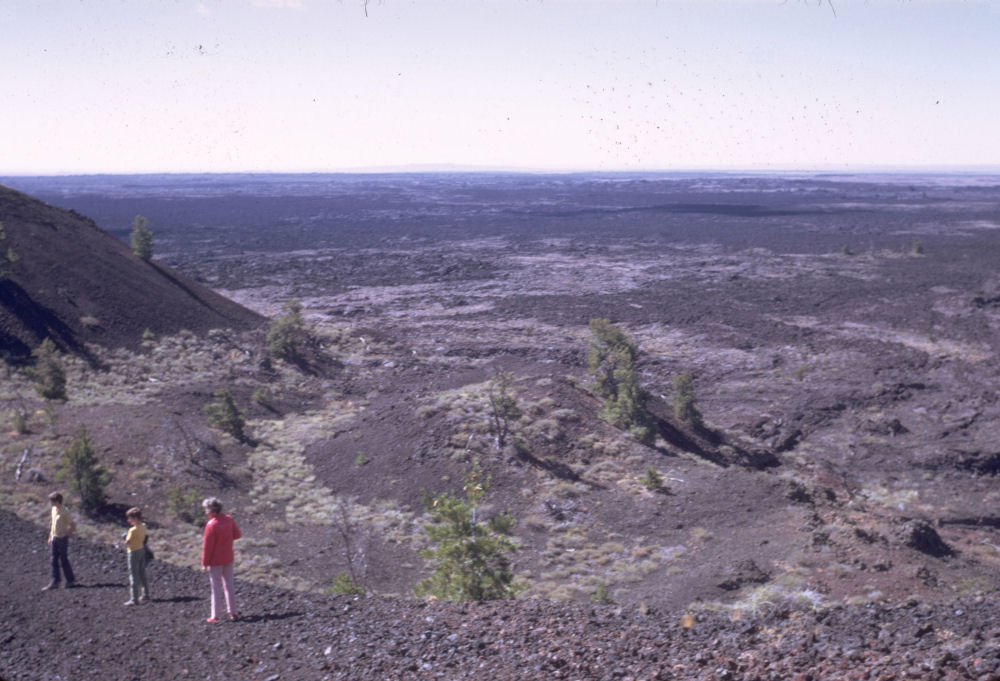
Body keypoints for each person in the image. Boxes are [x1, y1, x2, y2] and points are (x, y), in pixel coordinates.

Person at [200, 497, 242, 623]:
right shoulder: (229, 519)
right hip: (228, 557)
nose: (206, 512)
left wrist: (204, 563)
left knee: (216, 588)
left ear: (212, 510)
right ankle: (233, 612)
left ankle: (215, 615)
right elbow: (238, 535)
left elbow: (207, 547)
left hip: (215, 561)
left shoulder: (211, 525)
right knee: (229, 585)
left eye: (206, 510)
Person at [43, 492, 76, 590]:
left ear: (57, 501)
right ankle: (55, 581)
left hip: (62, 539)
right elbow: (53, 525)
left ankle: (70, 580)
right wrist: (50, 537)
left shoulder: (65, 511)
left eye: (52, 501)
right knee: (53, 560)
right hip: (54, 538)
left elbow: (73, 526)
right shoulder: (53, 510)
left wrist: (65, 534)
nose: (50, 503)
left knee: (63, 559)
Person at [123, 507, 150, 605]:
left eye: (130, 518)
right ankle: (145, 594)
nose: (128, 520)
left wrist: (124, 538)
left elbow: (127, 541)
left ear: (135, 518)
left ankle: (134, 599)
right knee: (142, 573)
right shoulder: (143, 526)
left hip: (133, 552)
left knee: (133, 575)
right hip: (141, 550)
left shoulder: (132, 530)